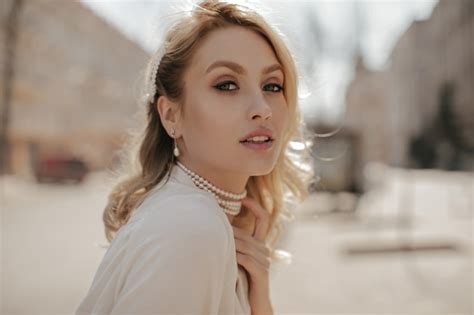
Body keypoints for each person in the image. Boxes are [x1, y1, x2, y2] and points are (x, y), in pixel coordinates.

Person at [75, 0, 314, 314]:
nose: (263, 109)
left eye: (272, 85)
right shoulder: (191, 227)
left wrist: (259, 300)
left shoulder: (199, 219)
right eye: (227, 85)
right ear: (171, 115)